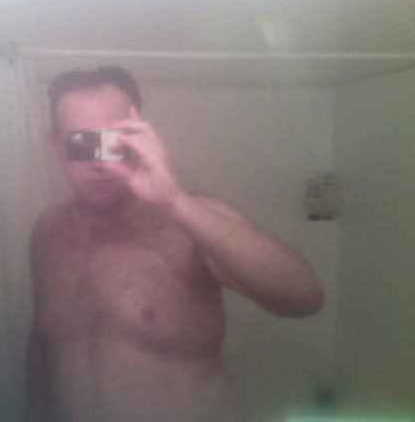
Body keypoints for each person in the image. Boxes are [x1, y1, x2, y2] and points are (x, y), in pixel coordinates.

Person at [26, 66, 324, 422]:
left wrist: (174, 201)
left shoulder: (188, 221)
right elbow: (44, 347)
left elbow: (304, 298)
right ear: (56, 147)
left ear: (140, 136)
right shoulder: (48, 231)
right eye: (82, 144)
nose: (100, 163)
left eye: (114, 141)